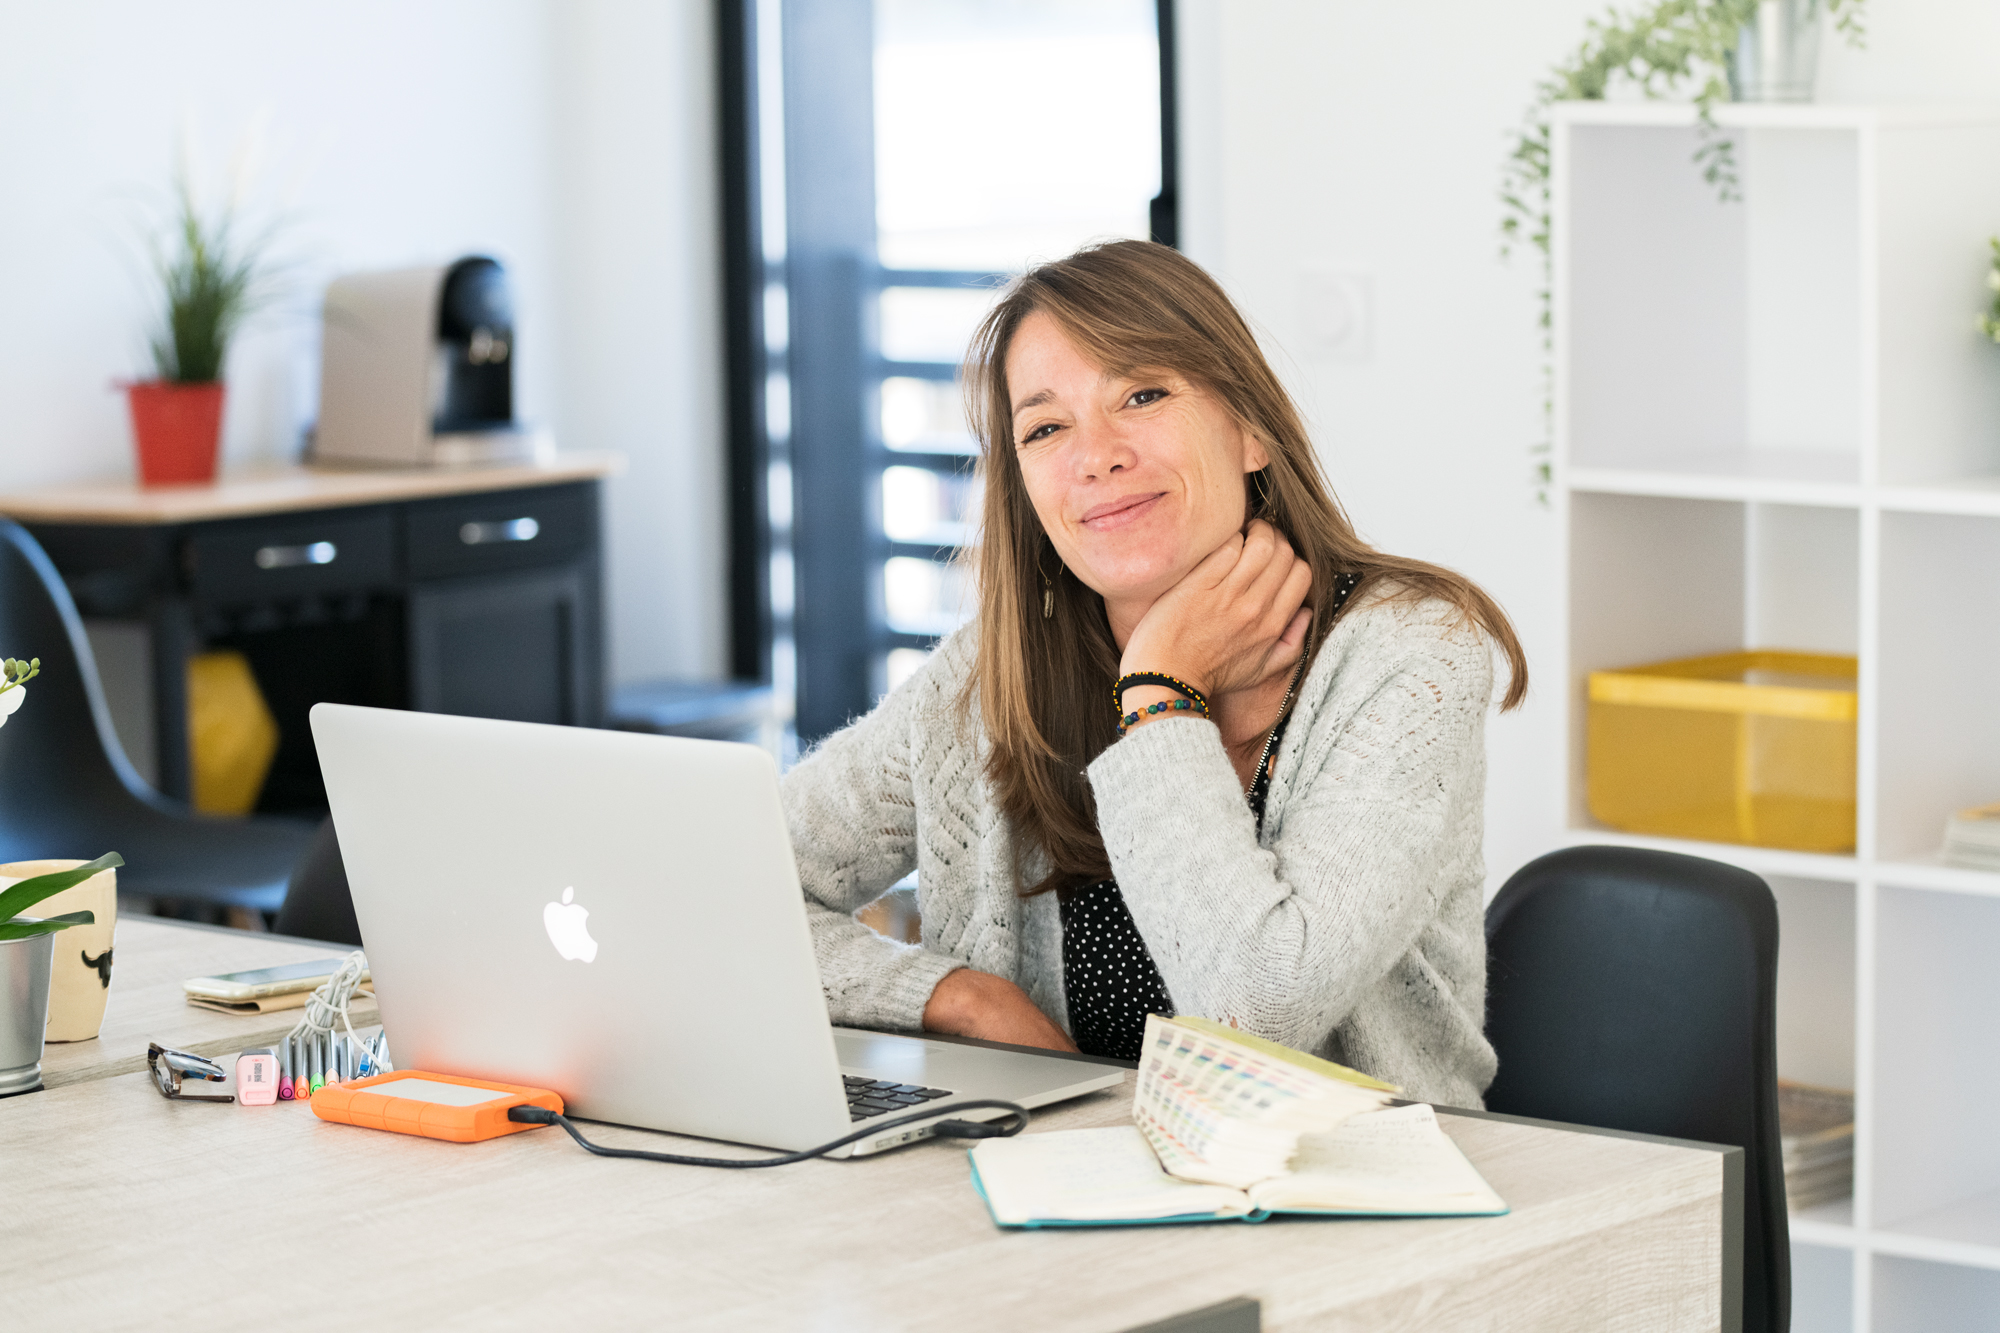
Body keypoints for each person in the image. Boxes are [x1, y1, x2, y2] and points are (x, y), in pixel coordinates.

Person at [782, 240, 1526, 1107]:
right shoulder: (992, 674)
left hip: (1351, 1203)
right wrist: (959, 998)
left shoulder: (1409, 656)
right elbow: (732, 886)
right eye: (1047, 427)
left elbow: (1255, 1013)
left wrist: (1162, 693)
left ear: (1251, 428)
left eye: (1142, 394)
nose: (1096, 455)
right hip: (1068, 1185)